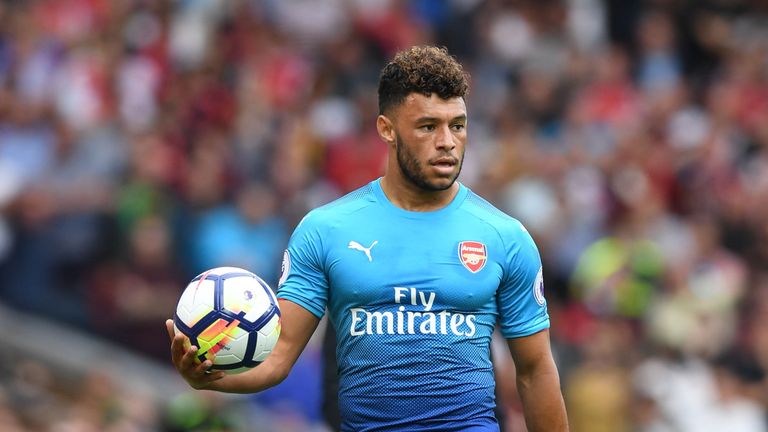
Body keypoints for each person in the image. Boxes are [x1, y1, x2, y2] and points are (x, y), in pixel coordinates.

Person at [166, 45, 569, 432]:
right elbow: (279, 358)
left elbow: (535, 371)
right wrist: (210, 379)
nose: (447, 141)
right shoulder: (325, 230)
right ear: (387, 130)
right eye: (428, 126)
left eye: (457, 126)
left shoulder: (506, 237)